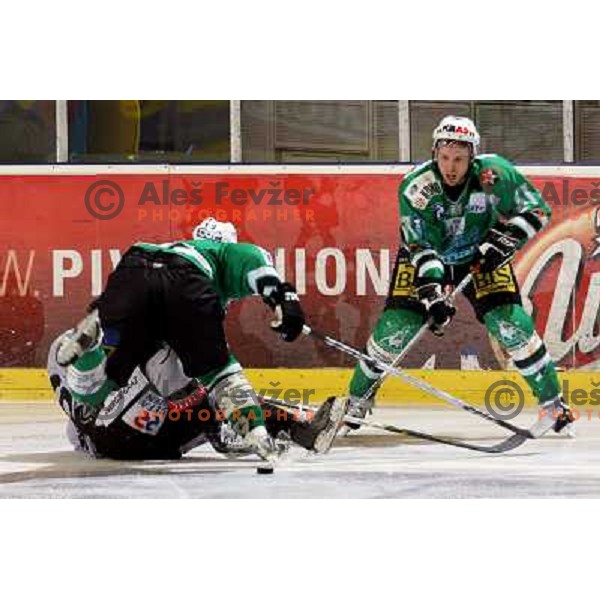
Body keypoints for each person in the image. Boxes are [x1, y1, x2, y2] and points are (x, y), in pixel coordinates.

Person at [342, 115, 573, 436]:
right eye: (445, 157)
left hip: (481, 255)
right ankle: (357, 399)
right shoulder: (417, 187)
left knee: (512, 325)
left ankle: (553, 403)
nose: (451, 166)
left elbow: (536, 210)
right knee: (396, 328)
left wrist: (505, 240)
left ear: (472, 158)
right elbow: (420, 246)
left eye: (459, 159)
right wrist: (433, 294)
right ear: (435, 153)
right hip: (425, 257)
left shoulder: (494, 174)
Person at [55, 217, 313, 462]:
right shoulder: (227, 254)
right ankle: (258, 433)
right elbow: (260, 270)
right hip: (184, 280)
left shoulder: (167, 250)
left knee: (103, 378)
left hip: (133, 265)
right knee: (217, 373)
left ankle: (92, 348)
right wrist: (284, 301)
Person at [48, 333, 347, 460]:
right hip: (134, 437)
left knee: (202, 394)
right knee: (196, 381)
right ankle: (251, 429)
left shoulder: (75, 408)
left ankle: (236, 427)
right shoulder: (78, 359)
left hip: (147, 442)